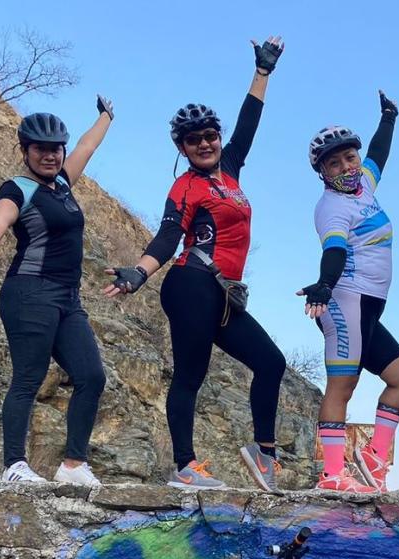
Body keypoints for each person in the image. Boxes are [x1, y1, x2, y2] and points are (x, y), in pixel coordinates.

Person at [105, 37, 287, 491]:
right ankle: (185, 467)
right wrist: (140, 272)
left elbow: (249, 125)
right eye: (194, 139)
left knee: (271, 362)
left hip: (224, 294)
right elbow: (169, 235)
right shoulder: (185, 188)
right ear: (182, 148)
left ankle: (264, 455)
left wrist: (262, 73)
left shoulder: (230, 171)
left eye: (210, 136)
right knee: (191, 375)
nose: (204, 143)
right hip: (190, 285)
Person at [0, 96, 115, 486]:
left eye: (56, 149)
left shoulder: (64, 184)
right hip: (28, 292)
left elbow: (87, 146)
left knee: (91, 375)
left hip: (68, 298)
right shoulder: (17, 189)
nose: (51, 156)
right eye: (41, 149)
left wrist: (106, 116)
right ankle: (14, 465)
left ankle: (73, 465)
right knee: (28, 377)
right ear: (25, 151)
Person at [298, 91, 399, 493]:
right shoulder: (331, 206)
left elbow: (378, 155)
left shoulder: (364, 186)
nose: (346, 166)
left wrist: (388, 118)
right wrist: (324, 285)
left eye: (349, 157)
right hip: (344, 300)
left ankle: (372, 460)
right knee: (342, 387)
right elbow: (334, 249)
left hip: (369, 307)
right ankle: (333, 475)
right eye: (335, 163)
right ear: (323, 172)